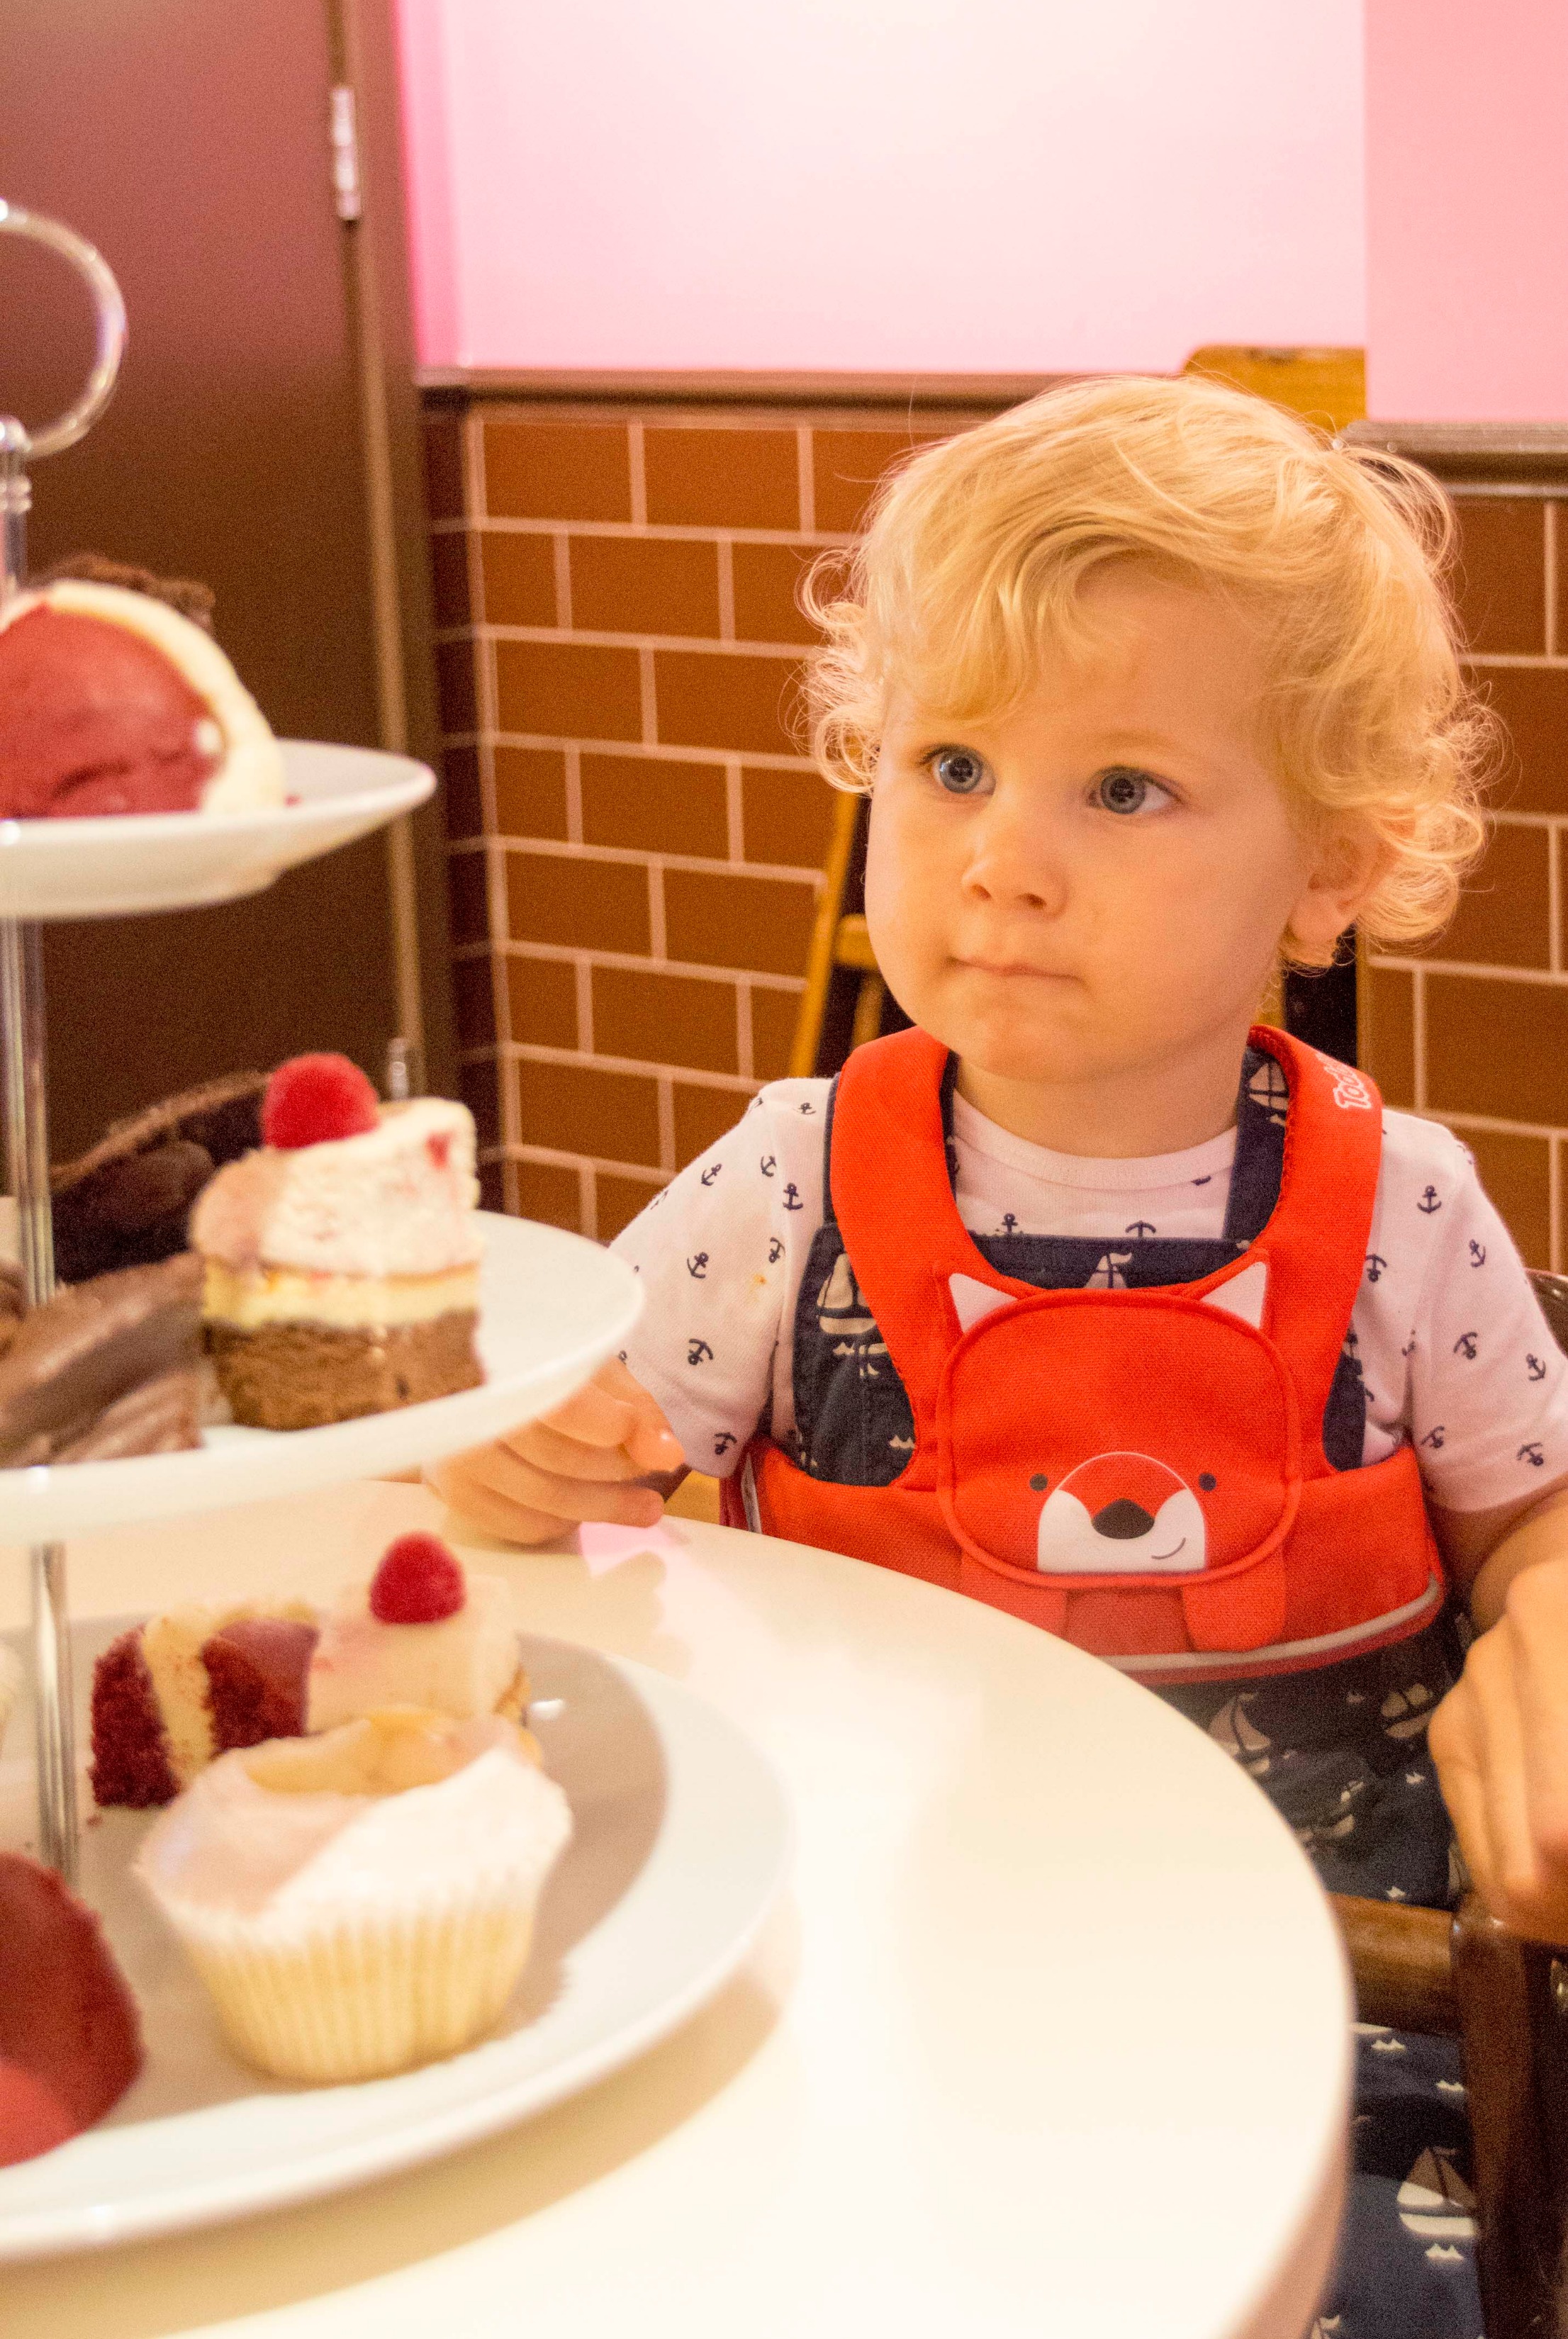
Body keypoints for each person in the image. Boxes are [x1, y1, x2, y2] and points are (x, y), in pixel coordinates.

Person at [435, 376, 1568, 2335]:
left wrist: (1549, 1620)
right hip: (859, 1949)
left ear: (1334, 869)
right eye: (948, 764)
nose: (998, 861)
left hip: (1327, 1998)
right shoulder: (782, 1186)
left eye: (1119, 790)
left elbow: (1524, 1521)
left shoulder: (1402, 1206)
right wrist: (511, 1459)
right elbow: (557, 1474)